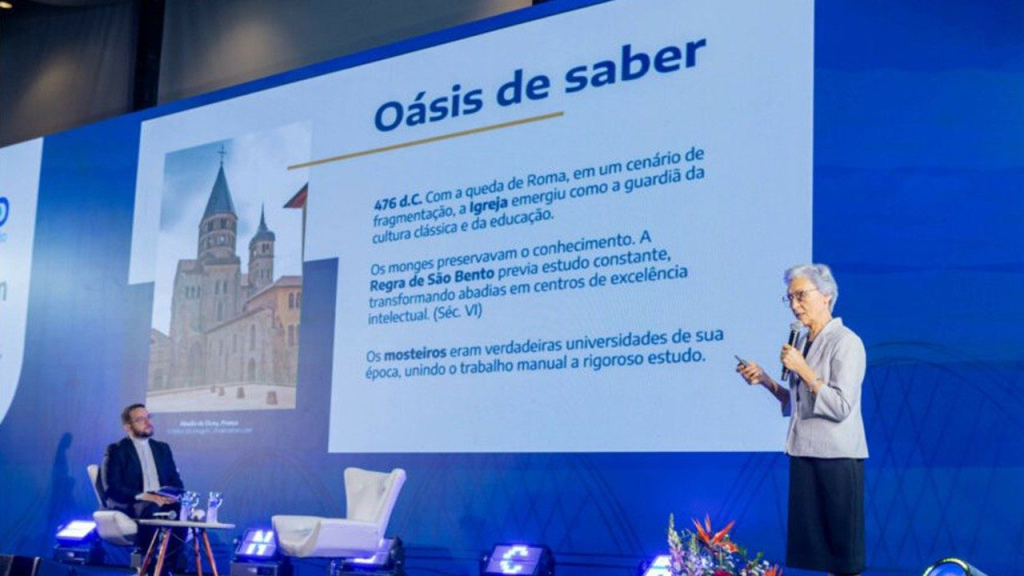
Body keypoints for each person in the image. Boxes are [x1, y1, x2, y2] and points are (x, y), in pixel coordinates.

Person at [736, 264, 867, 576]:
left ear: (826, 296)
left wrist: (804, 370)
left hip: (836, 459)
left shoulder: (846, 342)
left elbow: (840, 407)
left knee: (843, 558)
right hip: (804, 453)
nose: (794, 305)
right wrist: (766, 380)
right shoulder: (803, 342)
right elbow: (798, 404)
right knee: (818, 556)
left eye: (800, 296)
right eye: (790, 298)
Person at [100, 403, 185, 573]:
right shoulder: (117, 450)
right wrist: (144, 496)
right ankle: (149, 566)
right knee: (151, 507)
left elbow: (176, 482)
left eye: (148, 417)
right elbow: (112, 488)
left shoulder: (162, 448)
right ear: (127, 427)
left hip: (160, 499)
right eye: (141, 419)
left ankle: (167, 567)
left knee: (180, 510)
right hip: (133, 501)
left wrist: (172, 495)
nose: (148, 422)